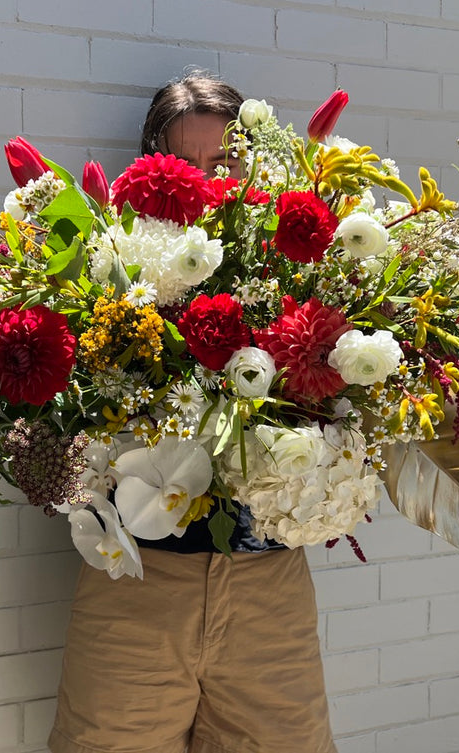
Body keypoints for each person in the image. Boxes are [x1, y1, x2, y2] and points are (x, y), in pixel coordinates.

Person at [48, 73, 336, 753]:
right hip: (139, 586)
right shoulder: (109, 278)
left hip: (268, 587)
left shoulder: (301, 277)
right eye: (187, 164)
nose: (209, 184)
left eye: (224, 164)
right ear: (153, 172)